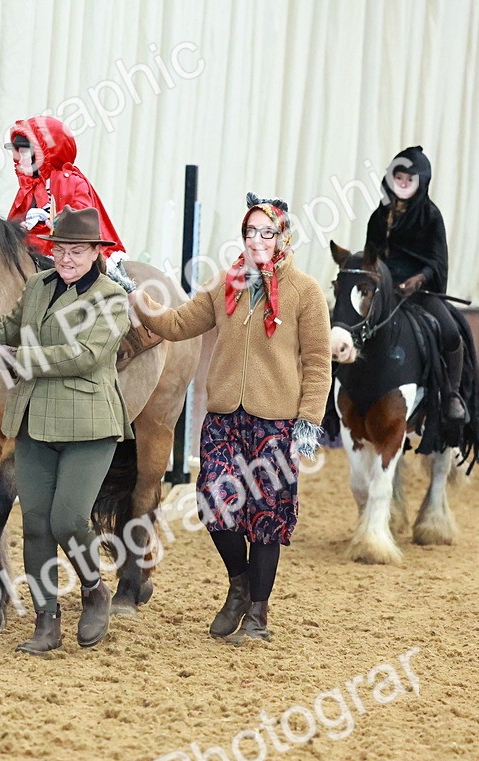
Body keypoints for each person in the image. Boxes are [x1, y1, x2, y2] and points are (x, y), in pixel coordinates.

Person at [127, 194, 331, 643]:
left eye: (266, 232)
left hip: (275, 423)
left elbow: (318, 361)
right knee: (214, 506)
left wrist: (308, 421)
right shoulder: (226, 285)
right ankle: (238, 586)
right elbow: (179, 324)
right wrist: (140, 301)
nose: (257, 240)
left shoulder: (305, 292)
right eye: (250, 231)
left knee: (265, 518)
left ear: (283, 238)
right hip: (223, 419)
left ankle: (257, 615)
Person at [0, 207, 133, 655]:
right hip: (34, 420)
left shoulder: (111, 299)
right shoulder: (37, 286)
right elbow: (6, 328)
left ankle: (94, 590)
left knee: (68, 519)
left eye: (76, 251)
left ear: (96, 252)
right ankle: (46, 621)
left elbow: (86, 355)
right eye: (60, 250)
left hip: (89, 425)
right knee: (35, 524)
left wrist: (26, 360)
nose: (66, 258)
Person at [365, 146, 466, 422]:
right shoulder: (378, 216)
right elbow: (370, 256)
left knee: (451, 333)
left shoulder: (431, 216)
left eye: (409, 180)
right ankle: (336, 393)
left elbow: (437, 261)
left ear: (419, 183)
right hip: (383, 291)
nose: (403, 184)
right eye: (399, 178)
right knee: (349, 325)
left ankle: (451, 395)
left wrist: (418, 279)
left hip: (420, 292)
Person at [5, 115, 127, 267]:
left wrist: (51, 220)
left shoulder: (73, 182)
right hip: (31, 249)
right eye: (18, 154)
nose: (20, 159)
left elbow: (82, 219)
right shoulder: (29, 188)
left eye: (24, 153)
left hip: (63, 250)